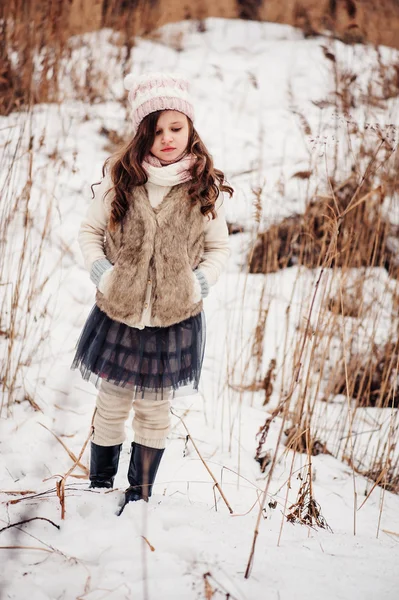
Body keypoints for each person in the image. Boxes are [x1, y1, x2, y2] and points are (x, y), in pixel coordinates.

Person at [71, 71, 233, 514]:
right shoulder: (121, 179)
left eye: (175, 128)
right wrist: (101, 271)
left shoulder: (203, 188)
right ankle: (101, 485)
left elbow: (218, 247)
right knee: (112, 402)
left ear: (190, 130)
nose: (166, 138)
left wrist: (201, 281)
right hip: (119, 313)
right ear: (143, 135)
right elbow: (89, 231)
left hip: (173, 318)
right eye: (156, 130)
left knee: (154, 410)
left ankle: (139, 495)